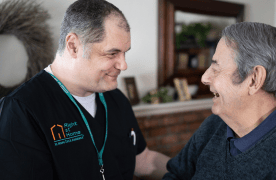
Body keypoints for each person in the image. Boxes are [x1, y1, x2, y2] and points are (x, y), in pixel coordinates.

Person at [0, 0, 170, 179]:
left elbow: (142, 160)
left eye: (124, 52)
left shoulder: (116, 99)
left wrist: (191, 171)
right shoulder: (22, 109)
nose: (123, 64)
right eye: (112, 53)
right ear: (73, 46)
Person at [163, 22, 276, 180]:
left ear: (254, 80)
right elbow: (176, 176)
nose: (204, 78)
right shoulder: (212, 126)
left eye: (216, 68)